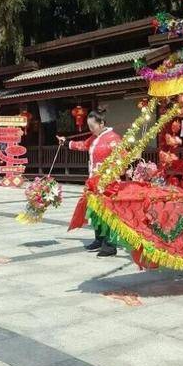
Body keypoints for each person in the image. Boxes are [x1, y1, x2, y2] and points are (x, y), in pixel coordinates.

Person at [57, 110, 122, 258]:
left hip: (108, 183)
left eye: (93, 126)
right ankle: (99, 239)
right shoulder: (94, 138)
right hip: (93, 181)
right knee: (95, 212)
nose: (91, 129)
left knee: (107, 213)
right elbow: (82, 145)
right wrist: (66, 142)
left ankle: (110, 245)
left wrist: (109, 174)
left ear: (102, 123)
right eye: (89, 126)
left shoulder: (114, 138)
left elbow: (121, 159)